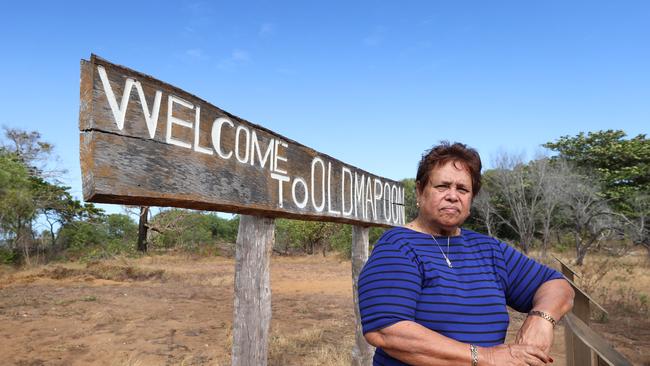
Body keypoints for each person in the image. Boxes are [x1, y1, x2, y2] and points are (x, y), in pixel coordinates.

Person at [358, 142, 574, 366]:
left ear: (471, 199)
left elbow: (557, 285)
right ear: (420, 191)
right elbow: (387, 331)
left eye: (462, 189)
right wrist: (486, 357)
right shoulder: (397, 246)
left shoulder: (489, 249)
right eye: (442, 186)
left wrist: (542, 318)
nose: (453, 196)